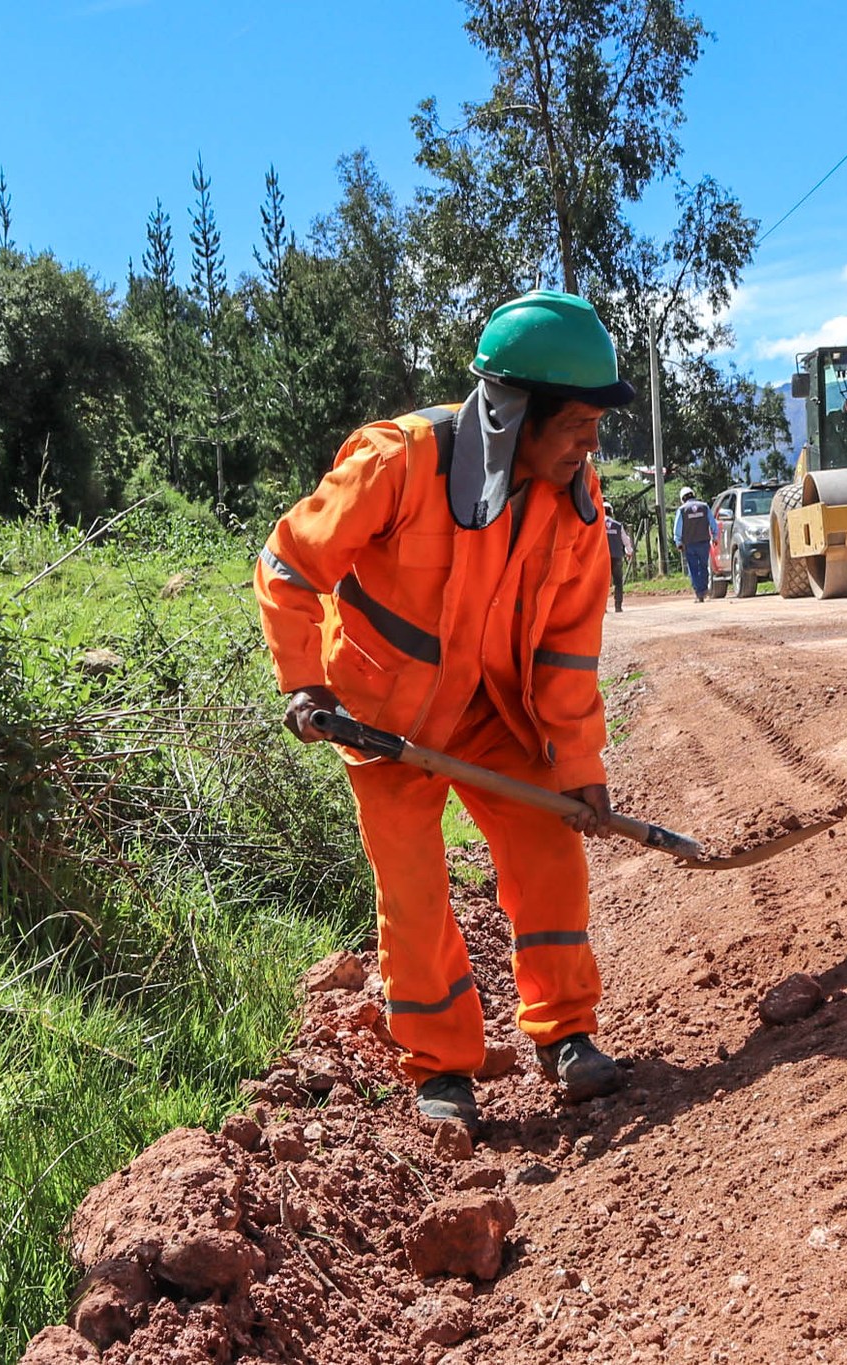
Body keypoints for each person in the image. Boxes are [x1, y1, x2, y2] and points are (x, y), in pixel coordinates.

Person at [255, 289, 638, 1133]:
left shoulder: (575, 502)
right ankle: (444, 1071)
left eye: (595, 427)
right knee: (416, 892)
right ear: (513, 415)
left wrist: (579, 769)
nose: (591, 443)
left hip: (492, 712)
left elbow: (567, 654)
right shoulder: (398, 461)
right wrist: (303, 685)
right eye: (577, 422)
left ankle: (566, 1035)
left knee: (548, 848)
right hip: (382, 717)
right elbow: (288, 566)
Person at [673, 485, 718, 602]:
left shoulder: (682, 510)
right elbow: (713, 523)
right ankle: (704, 589)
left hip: (690, 544)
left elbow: (677, 528)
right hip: (704, 542)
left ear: (682, 498)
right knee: (703, 566)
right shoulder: (704, 507)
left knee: (693, 568)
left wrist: (678, 542)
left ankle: (699, 593)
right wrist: (715, 536)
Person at [603, 510, 633, 612]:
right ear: (611, 512)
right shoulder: (618, 525)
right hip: (616, 556)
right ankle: (618, 606)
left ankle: (603, 607)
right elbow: (626, 540)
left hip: (602, 558)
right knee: (618, 582)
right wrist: (629, 552)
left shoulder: (597, 524)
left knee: (602, 583)